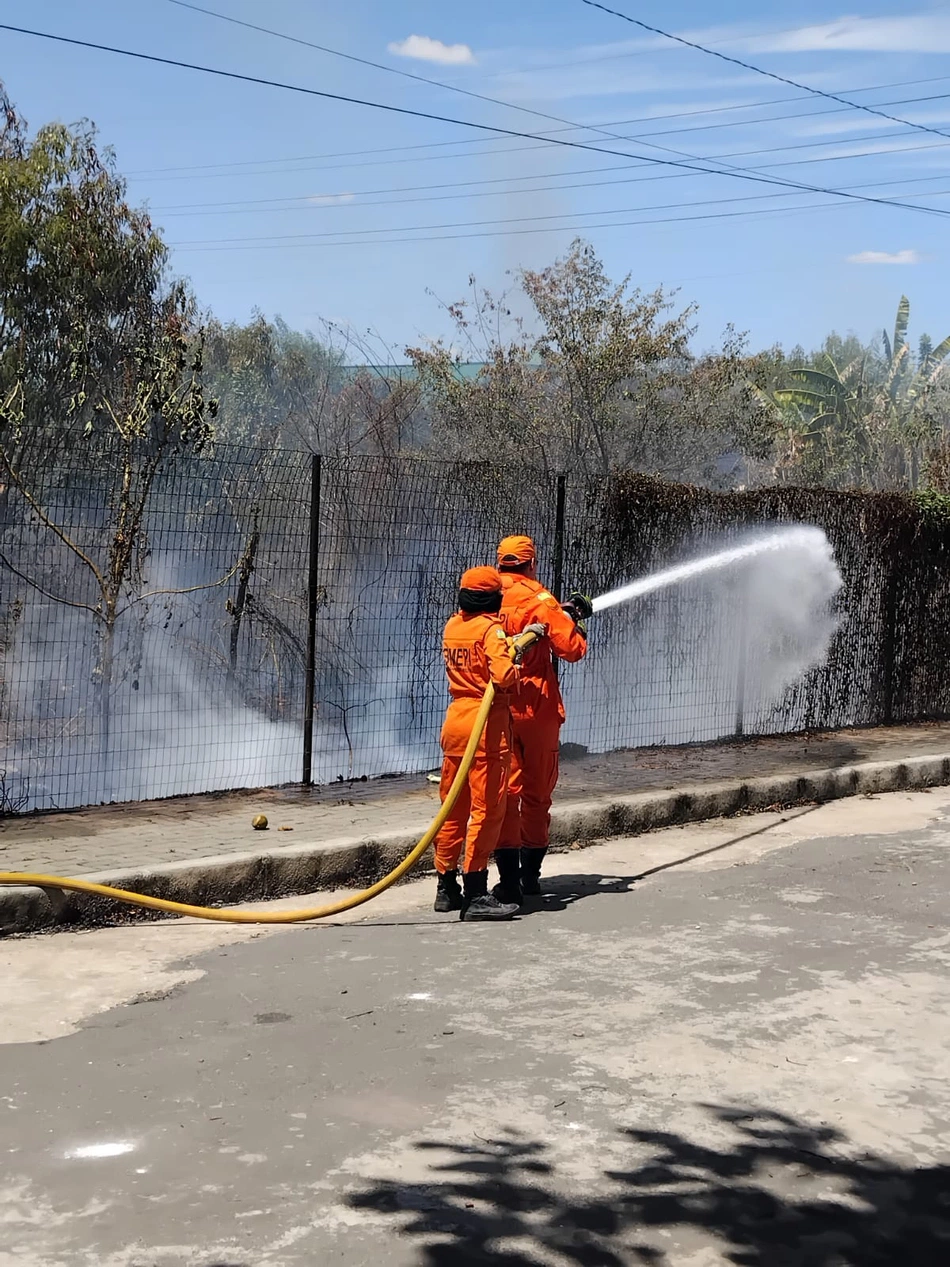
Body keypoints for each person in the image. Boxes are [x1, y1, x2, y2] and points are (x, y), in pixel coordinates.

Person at [493, 535, 593, 906]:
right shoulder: (539, 599)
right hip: (536, 708)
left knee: (504, 793)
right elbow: (572, 649)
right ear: (531, 563)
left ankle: (506, 881)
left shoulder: (486, 593)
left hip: (499, 706)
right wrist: (575, 621)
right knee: (537, 795)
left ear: (501, 563)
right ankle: (530, 877)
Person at [433, 566, 525, 921]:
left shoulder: (453, 626)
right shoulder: (491, 630)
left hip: (456, 724)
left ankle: (446, 887)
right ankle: (476, 893)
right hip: (485, 730)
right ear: (493, 598)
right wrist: (517, 658)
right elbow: (503, 676)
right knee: (486, 813)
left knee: (452, 810)